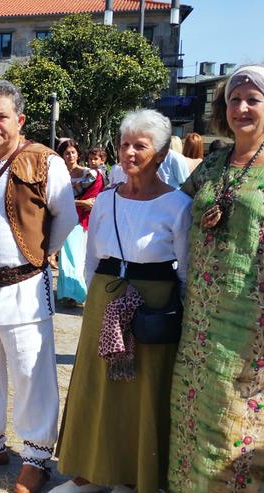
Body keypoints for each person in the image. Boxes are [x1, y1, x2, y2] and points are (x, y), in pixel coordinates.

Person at [168, 64, 264, 492]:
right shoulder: (213, 161)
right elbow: (170, 211)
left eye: (252, 100)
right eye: (233, 100)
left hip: (257, 327)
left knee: (239, 426)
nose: (241, 108)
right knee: (194, 419)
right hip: (201, 320)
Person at [53, 109, 192, 493]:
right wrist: (101, 297)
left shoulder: (178, 205)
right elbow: (91, 259)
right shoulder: (106, 200)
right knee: (98, 388)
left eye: (140, 145)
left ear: (161, 153)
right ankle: (91, 473)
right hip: (106, 294)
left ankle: (132, 478)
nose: (129, 152)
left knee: (142, 390)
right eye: (124, 144)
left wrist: (165, 305)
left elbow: (185, 268)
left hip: (154, 304)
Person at [0, 79, 77, 493]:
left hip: (24, 288)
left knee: (30, 374)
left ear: (19, 120)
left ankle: (36, 459)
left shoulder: (45, 161)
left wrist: (37, 260)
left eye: (2, 116)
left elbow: (65, 218)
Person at [56, 139, 104, 307]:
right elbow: (54, 198)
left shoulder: (89, 174)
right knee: (66, 259)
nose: (70, 156)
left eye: (73, 152)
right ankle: (69, 294)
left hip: (83, 221)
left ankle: (76, 293)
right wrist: (79, 203)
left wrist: (82, 204)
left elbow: (96, 198)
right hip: (63, 219)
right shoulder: (57, 175)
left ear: (78, 154)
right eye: (66, 153)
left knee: (78, 257)